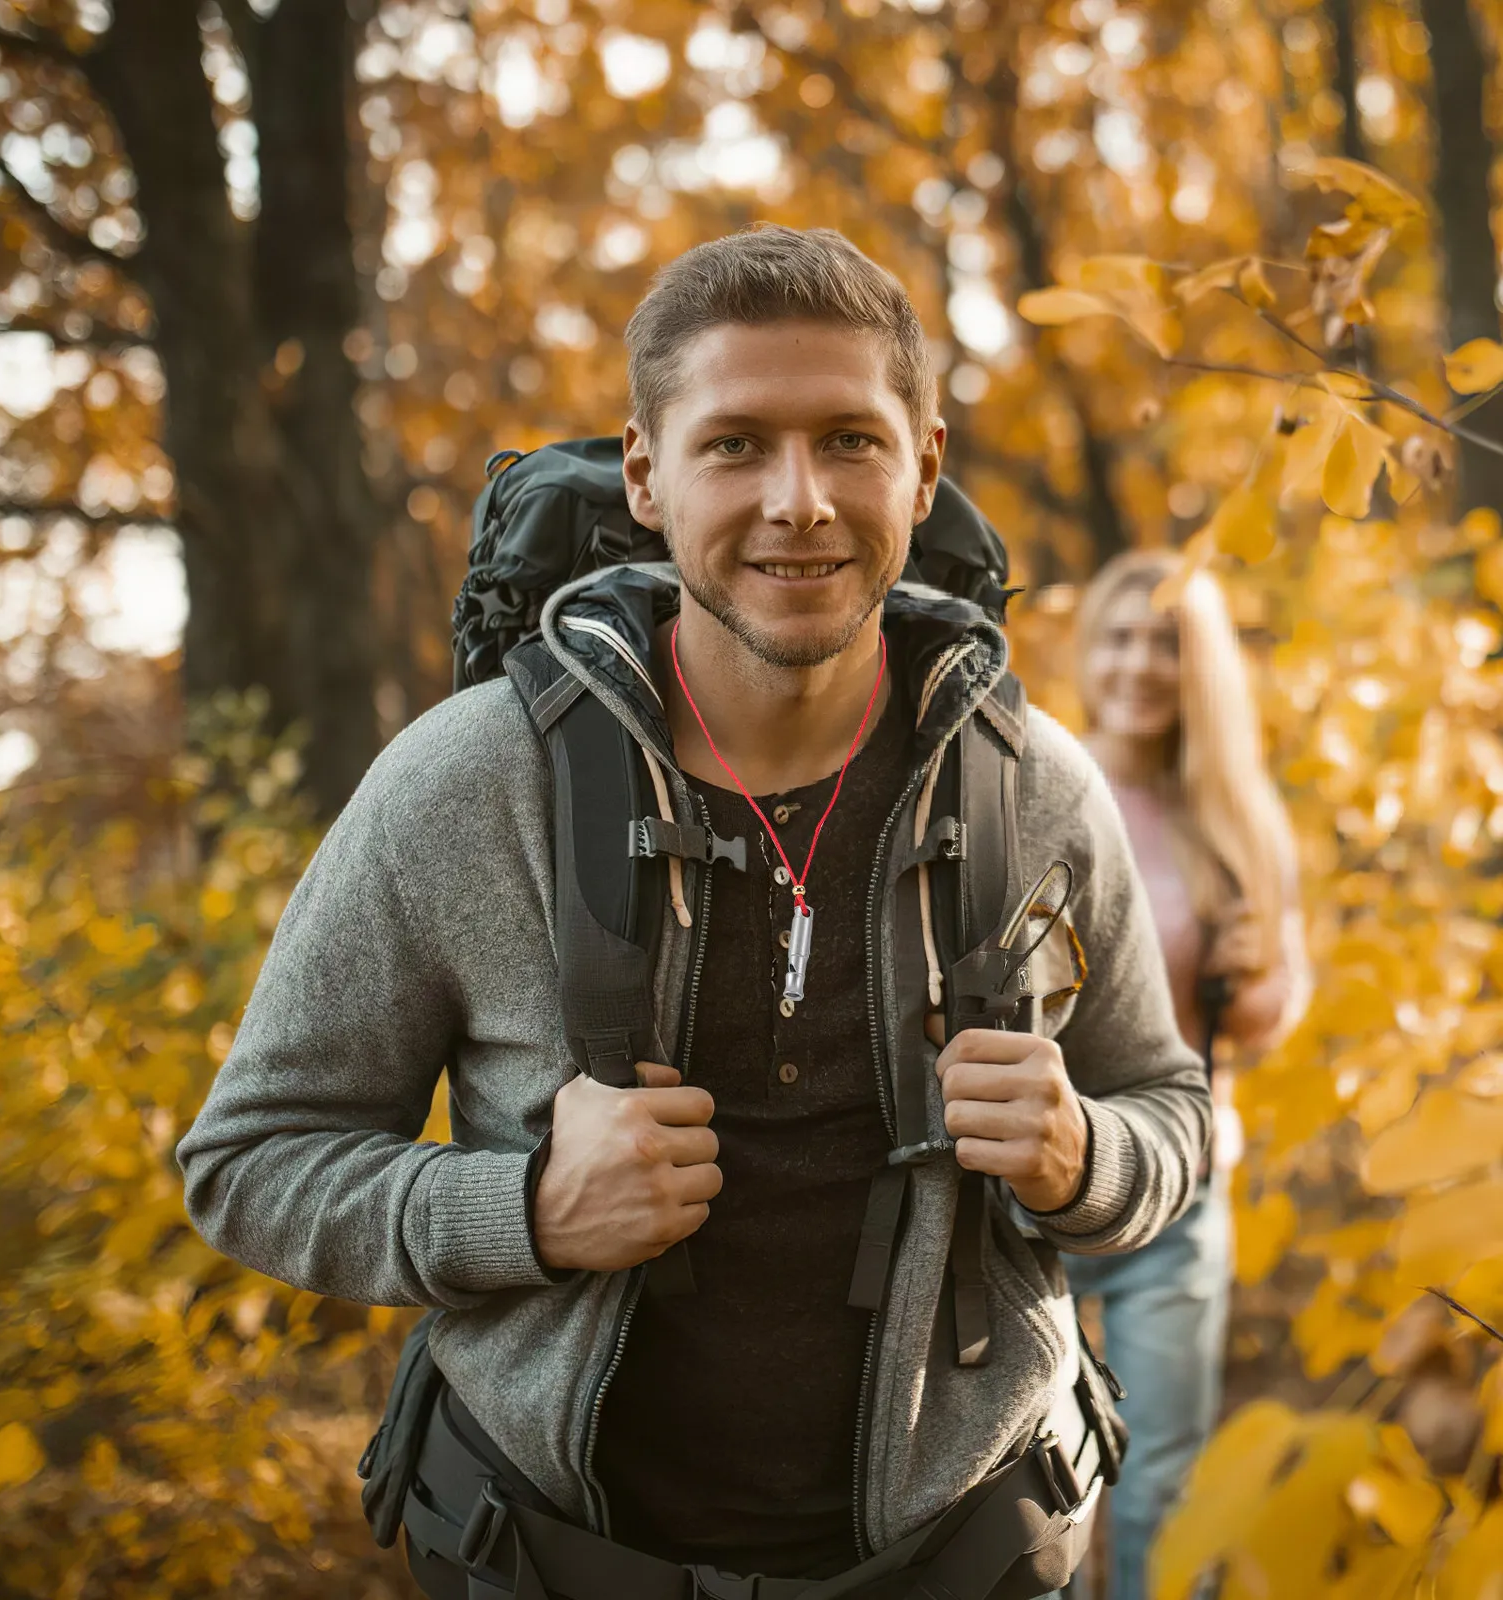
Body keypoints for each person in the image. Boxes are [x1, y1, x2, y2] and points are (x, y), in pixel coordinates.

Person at [176, 226, 1210, 1598]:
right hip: (553, 1555)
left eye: (850, 439)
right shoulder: (468, 782)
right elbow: (248, 1160)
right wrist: (524, 1209)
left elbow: (1173, 1115)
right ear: (649, 475)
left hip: (968, 1556)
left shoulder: (1041, 791)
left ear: (926, 466)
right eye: (736, 445)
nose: (800, 500)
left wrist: (1085, 1156)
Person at [1062, 551, 1312, 1600]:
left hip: (1184, 1187)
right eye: (1119, 637)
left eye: (1165, 641)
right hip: (1043, 1178)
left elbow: (1269, 1013)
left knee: (1166, 1476)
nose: (1138, 663)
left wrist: (1246, 972)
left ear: (1197, 664)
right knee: (1025, 1477)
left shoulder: (1234, 816)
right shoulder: (1043, 782)